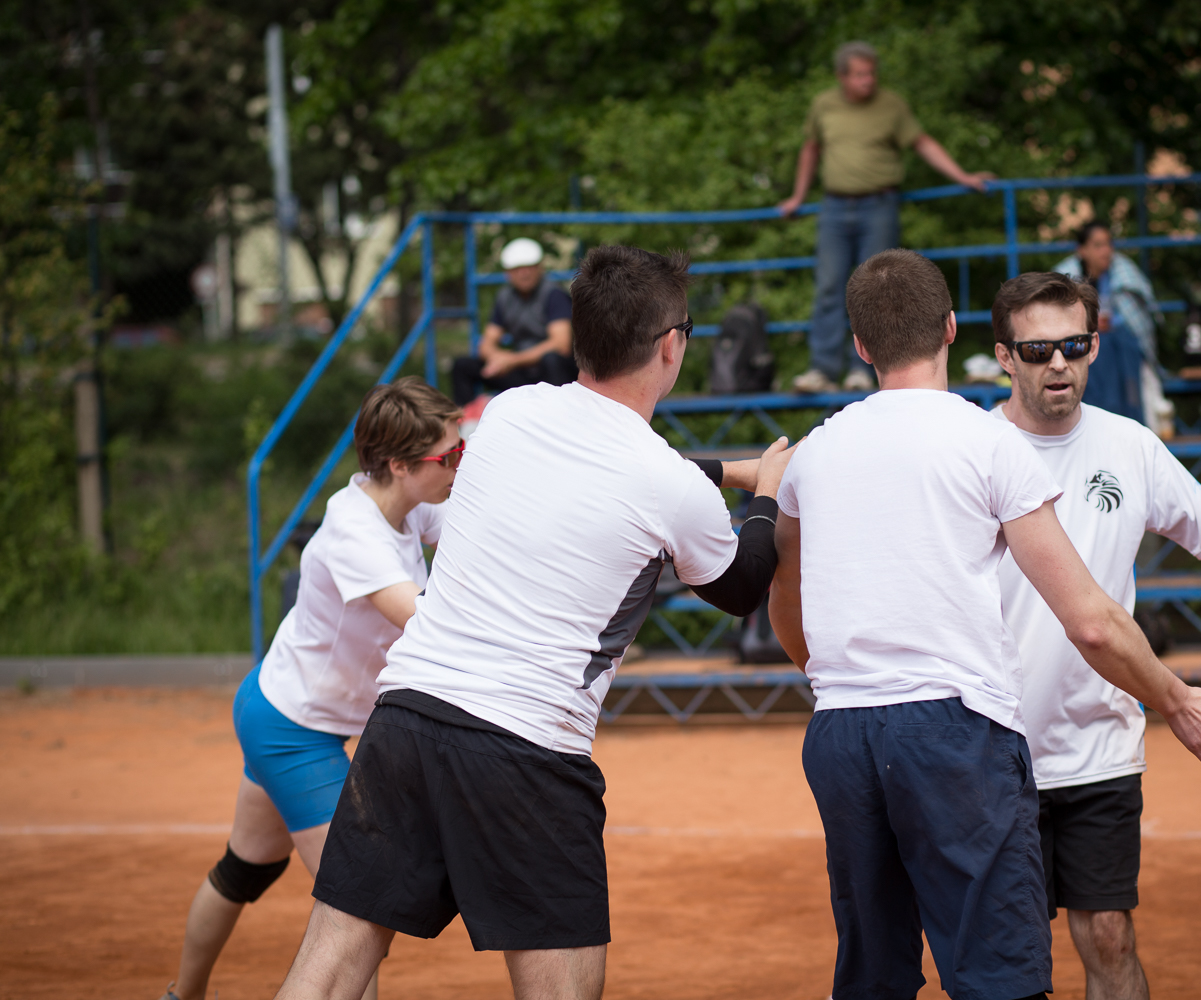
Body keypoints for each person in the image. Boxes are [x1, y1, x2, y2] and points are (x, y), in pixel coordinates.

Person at [270, 245, 795, 1000]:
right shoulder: (665, 482)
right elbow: (741, 586)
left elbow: (600, 462)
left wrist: (722, 471)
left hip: (406, 719)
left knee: (330, 964)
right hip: (526, 750)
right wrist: (766, 493)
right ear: (669, 347)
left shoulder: (510, 413)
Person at [766, 248, 1201, 1000]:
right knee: (997, 972)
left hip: (843, 729)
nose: (1058, 362)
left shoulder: (820, 447)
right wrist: (1176, 697)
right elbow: (1090, 619)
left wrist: (830, 676)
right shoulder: (987, 440)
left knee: (873, 970)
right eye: (1038, 349)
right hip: (957, 729)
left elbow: (787, 595)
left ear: (860, 345)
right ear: (953, 329)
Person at [989, 271, 1201, 1000]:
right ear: (1004, 357)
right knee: (1005, 956)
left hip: (1099, 743)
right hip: (993, 746)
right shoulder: (974, 449)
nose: (1059, 364)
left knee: (1110, 936)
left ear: (1093, 346)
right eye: (1038, 349)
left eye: (1075, 345)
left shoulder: (1129, 444)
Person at [160, 376, 463, 1000]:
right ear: (400, 465)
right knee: (360, 906)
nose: (460, 464)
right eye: (450, 455)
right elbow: (422, 618)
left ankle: (179, 997)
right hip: (292, 730)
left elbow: (481, 528)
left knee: (244, 871)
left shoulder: (413, 503)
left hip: (282, 707)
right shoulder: (354, 530)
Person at [779, 41, 993, 394]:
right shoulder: (824, 104)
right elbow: (811, 149)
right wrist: (798, 197)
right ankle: (822, 369)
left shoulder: (890, 104)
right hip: (834, 206)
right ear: (842, 77)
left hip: (878, 205)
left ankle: (863, 369)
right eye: (859, 74)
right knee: (829, 286)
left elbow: (922, 142)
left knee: (876, 287)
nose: (868, 80)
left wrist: (963, 176)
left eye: (871, 73)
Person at [1054, 221, 1165, 430]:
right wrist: (1089, 324)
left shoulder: (1123, 272)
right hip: (1085, 350)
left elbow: (1136, 320)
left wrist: (1112, 322)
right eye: (1098, 245)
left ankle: (1129, 423)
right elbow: (1055, 322)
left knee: (1122, 343)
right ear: (1082, 250)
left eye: (1108, 244)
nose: (1105, 251)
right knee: (1095, 348)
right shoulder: (1065, 278)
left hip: (1120, 347)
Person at [450, 237, 576, 405]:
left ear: (540, 267)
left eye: (529, 267)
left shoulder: (554, 294)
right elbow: (486, 343)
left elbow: (561, 345)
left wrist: (512, 360)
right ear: (507, 272)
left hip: (551, 373)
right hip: (521, 371)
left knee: (552, 360)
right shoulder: (504, 297)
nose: (524, 273)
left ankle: (560, 411)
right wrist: (498, 359)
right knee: (462, 365)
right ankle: (465, 417)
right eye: (517, 269)